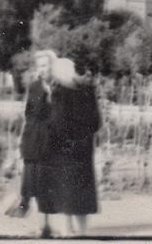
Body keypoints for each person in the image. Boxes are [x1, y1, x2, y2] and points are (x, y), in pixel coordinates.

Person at [49, 57, 101, 236]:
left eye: (89, 73)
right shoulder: (68, 92)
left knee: (76, 189)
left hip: (76, 148)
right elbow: (58, 122)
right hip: (74, 147)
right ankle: (73, 229)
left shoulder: (80, 92)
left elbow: (95, 122)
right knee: (73, 189)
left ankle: (76, 230)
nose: (87, 76)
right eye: (83, 72)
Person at [11, 50, 60, 237]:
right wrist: (22, 142)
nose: (42, 69)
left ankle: (46, 226)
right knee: (33, 182)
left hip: (52, 142)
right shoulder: (34, 87)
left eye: (45, 65)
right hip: (34, 140)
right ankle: (36, 220)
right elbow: (29, 115)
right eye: (40, 66)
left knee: (47, 186)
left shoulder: (60, 88)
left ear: (52, 67)